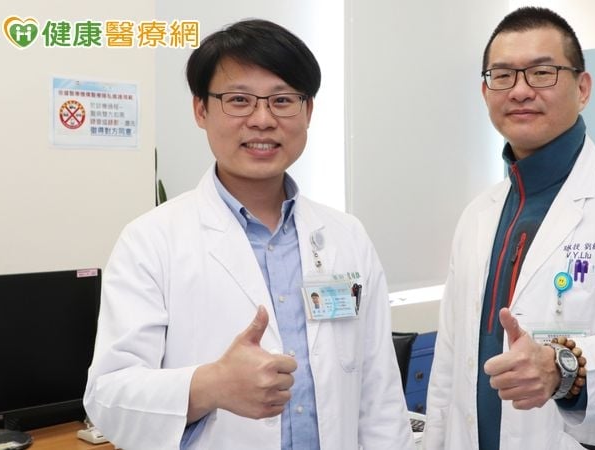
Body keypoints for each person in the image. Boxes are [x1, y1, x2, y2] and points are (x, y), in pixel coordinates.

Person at [83, 19, 414, 450]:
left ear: (308, 112)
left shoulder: (345, 236)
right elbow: (108, 396)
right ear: (201, 110)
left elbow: (379, 392)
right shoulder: (151, 241)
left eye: (282, 100)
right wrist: (210, 385)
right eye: (239, 100)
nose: (262, 120)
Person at [423, 7, 595, 450]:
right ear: (485, 91)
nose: (520, 91)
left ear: (582, 88)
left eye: (542, 72)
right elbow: (449, 366)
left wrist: (562, 368)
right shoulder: (477, 215)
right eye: (503, 75)